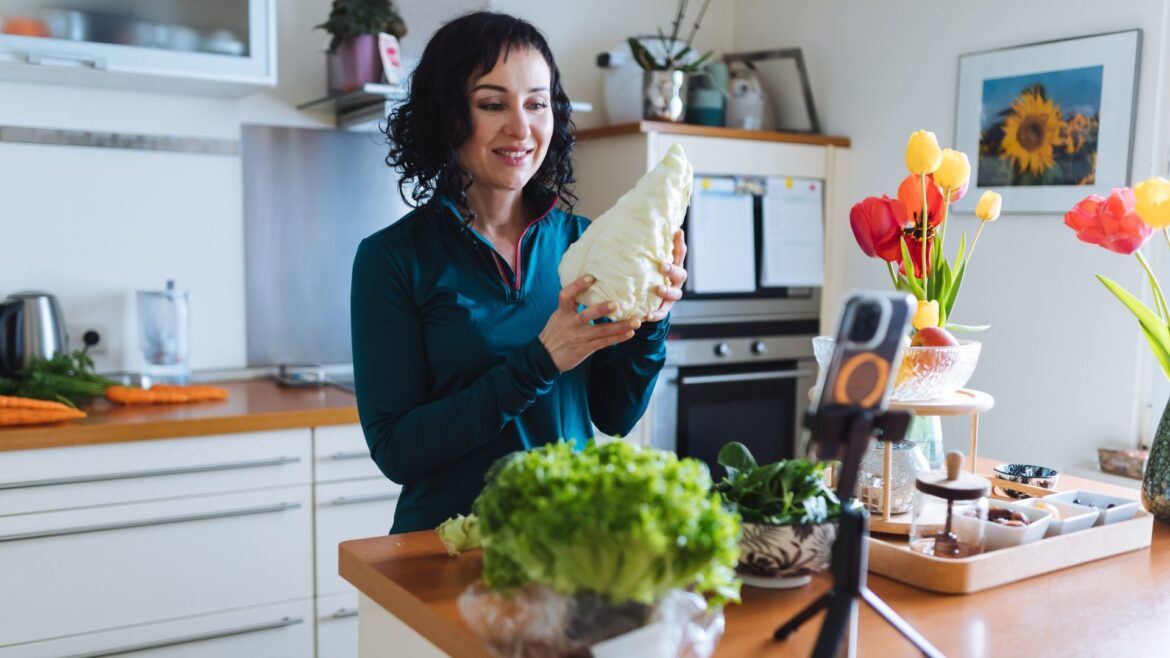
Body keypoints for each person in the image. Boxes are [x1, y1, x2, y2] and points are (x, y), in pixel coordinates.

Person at [350, 11, 688, 534]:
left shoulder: (584, 241)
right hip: (447, 548)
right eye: (492, 104)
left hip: (568, 544)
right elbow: (397, 450)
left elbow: (614, 415)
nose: (521, 127)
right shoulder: (392, 259)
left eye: (537, 104)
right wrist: (541, 360)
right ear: (447, 116)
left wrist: (651, 320)